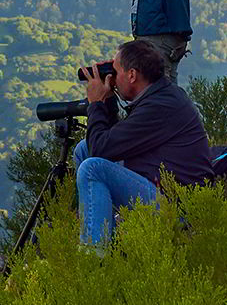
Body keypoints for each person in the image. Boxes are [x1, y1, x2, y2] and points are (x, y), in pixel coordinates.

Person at [72, 39, 214, 247]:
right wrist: (109, 100)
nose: (113, 77)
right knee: (83, 150)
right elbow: (112, 144)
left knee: (92, 168)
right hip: (165, 190)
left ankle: (95, 257)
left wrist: (95, 104)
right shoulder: (160, 95)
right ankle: (104, 234)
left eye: (117, 71)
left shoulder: (160, 107)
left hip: (179, 209)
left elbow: (102, 150)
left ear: (132, 75)